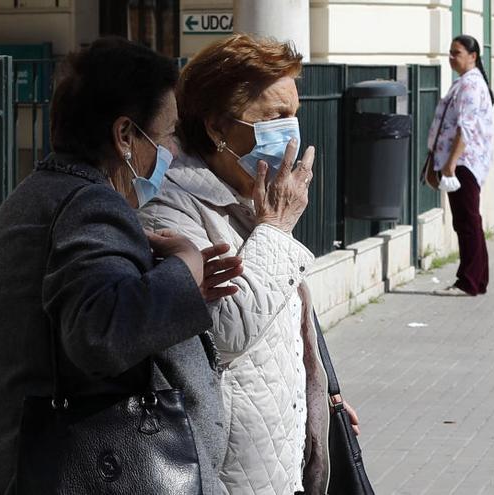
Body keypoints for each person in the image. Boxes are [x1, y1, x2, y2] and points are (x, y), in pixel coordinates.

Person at [0, 37, 241, 495]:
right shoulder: (89, 206)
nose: (170, 152)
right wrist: (184, 265)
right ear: (125, 135)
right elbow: (100, 335)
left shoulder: (42, 196)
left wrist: (171, 286)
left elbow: (70, 318)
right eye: (165, 135)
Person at [138, 34, 359, 494]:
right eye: (276, 117)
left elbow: (284, 323)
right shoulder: (170, 209)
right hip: (231, 473)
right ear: (218, 127)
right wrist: (275, 229)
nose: (292, 131)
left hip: (281, 460)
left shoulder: (249, 196)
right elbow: (226, 333)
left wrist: (318, 402)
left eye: (294, 114)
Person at [429, 34, 494, 297]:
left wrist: (450, 165)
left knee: (467, 222)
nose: (451, 57)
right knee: (469, 222)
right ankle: (477, 280)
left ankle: (468, 281)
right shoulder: (466, 83)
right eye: (450, 52)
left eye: (456, 52)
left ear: (473, 56)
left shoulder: (470, 86)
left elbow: (465, 128)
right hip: (463, 163)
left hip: (463, 164)